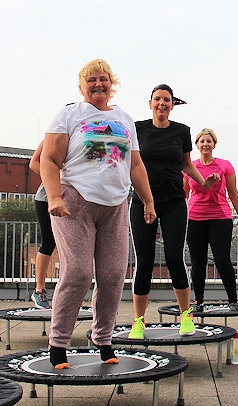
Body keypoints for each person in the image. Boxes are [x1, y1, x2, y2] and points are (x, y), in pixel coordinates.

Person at [40, 58, 155, 369]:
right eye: (91, 80)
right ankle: (59, 342)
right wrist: (53, 196)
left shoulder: (125, 119)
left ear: (111, 83)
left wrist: (148, 201)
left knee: (113, 275)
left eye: (103, 79)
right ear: (82, 86)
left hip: (115, 205)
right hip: (75, 202)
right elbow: (48, 160)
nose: (98, 85)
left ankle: (102, 338)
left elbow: (135, 165)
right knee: (77, 273)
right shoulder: (69, 114)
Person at [128, 84, 219, 340]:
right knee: (144, 261)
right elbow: (131, 162)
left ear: (172, 104)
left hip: (174, 203)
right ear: (150, 103)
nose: (162, 103)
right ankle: (138, 321)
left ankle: (186, 315)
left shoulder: (182, 131)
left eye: (166, 100)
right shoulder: (138, 129)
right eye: (157, 99)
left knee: (174, 257)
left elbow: (186, 163)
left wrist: (202, 182)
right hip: (143, 201)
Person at [184, 128, 238, 312]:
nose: (205, 144)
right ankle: (199, 302)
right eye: (202, 141)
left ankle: (233, 300)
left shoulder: (224, 165)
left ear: (214, 145)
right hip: (195, 218)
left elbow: (234, 194)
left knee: (222, 259)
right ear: (197, 145)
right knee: (198, 261)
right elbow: (183, 194)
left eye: (209, 141)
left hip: (220, 218)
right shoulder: (190, 166)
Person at [29, 141, 55, 309]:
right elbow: (34, 163)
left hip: (74, 199)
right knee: (49, 241)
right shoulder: (56, 133)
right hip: (46, 198)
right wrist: (56, 178)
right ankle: (39, 290)